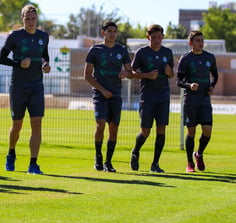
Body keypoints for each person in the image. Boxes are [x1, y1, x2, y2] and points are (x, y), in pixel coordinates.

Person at [0, 4, 50, 175]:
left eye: (33, 18)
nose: (30, 21)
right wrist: (18, 63)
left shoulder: (44, 36)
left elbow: (45, 56)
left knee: (37, 124)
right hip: (18, 86)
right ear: (22, 19)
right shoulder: (15, 36)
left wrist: (46, 64)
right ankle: (11, 153)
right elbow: (1, 58)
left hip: (37, 86)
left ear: (37, 20)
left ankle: (33, 164)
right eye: (27, 18)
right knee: (17, 125)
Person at [84, 21, 132, 172]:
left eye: (115, 31)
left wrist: (125, 73)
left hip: (116, 94)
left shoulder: (121, 50)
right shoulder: (95, 50)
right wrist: (102, 90)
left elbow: (130, 72)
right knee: (100, 124)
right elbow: (87, 75)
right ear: (103, 32)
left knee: (114, 127)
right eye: (109, 31)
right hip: (100, 94)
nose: (112, 34)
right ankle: (98, 157)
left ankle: (108, 162)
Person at [130, 24, 174, 173]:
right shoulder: (141, 52)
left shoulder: (168, 52)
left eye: (159, 37)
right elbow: (131, 72)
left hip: (163, 97)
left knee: (161, 130)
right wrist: (147, 75)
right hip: (147, 97)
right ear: (148, 37)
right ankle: (135, 151)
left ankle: (155, 164)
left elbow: (171, 73)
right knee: (145, 131)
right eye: (153, 37)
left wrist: (169, 73)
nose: (156, 39)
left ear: (163, 37)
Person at [177, 31, 218, 172]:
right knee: (191, 132)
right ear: (191, 43)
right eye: (197, 40)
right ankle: (189, 163)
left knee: (207, 131)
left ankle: (199, 153)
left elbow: (215, 75)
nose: (201, 43)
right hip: (190, 101)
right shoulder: (185, 59)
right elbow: (179, 81)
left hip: (205, 101)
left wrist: (212, 86)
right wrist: (189, 85)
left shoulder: (210, 57)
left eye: (202, 40)